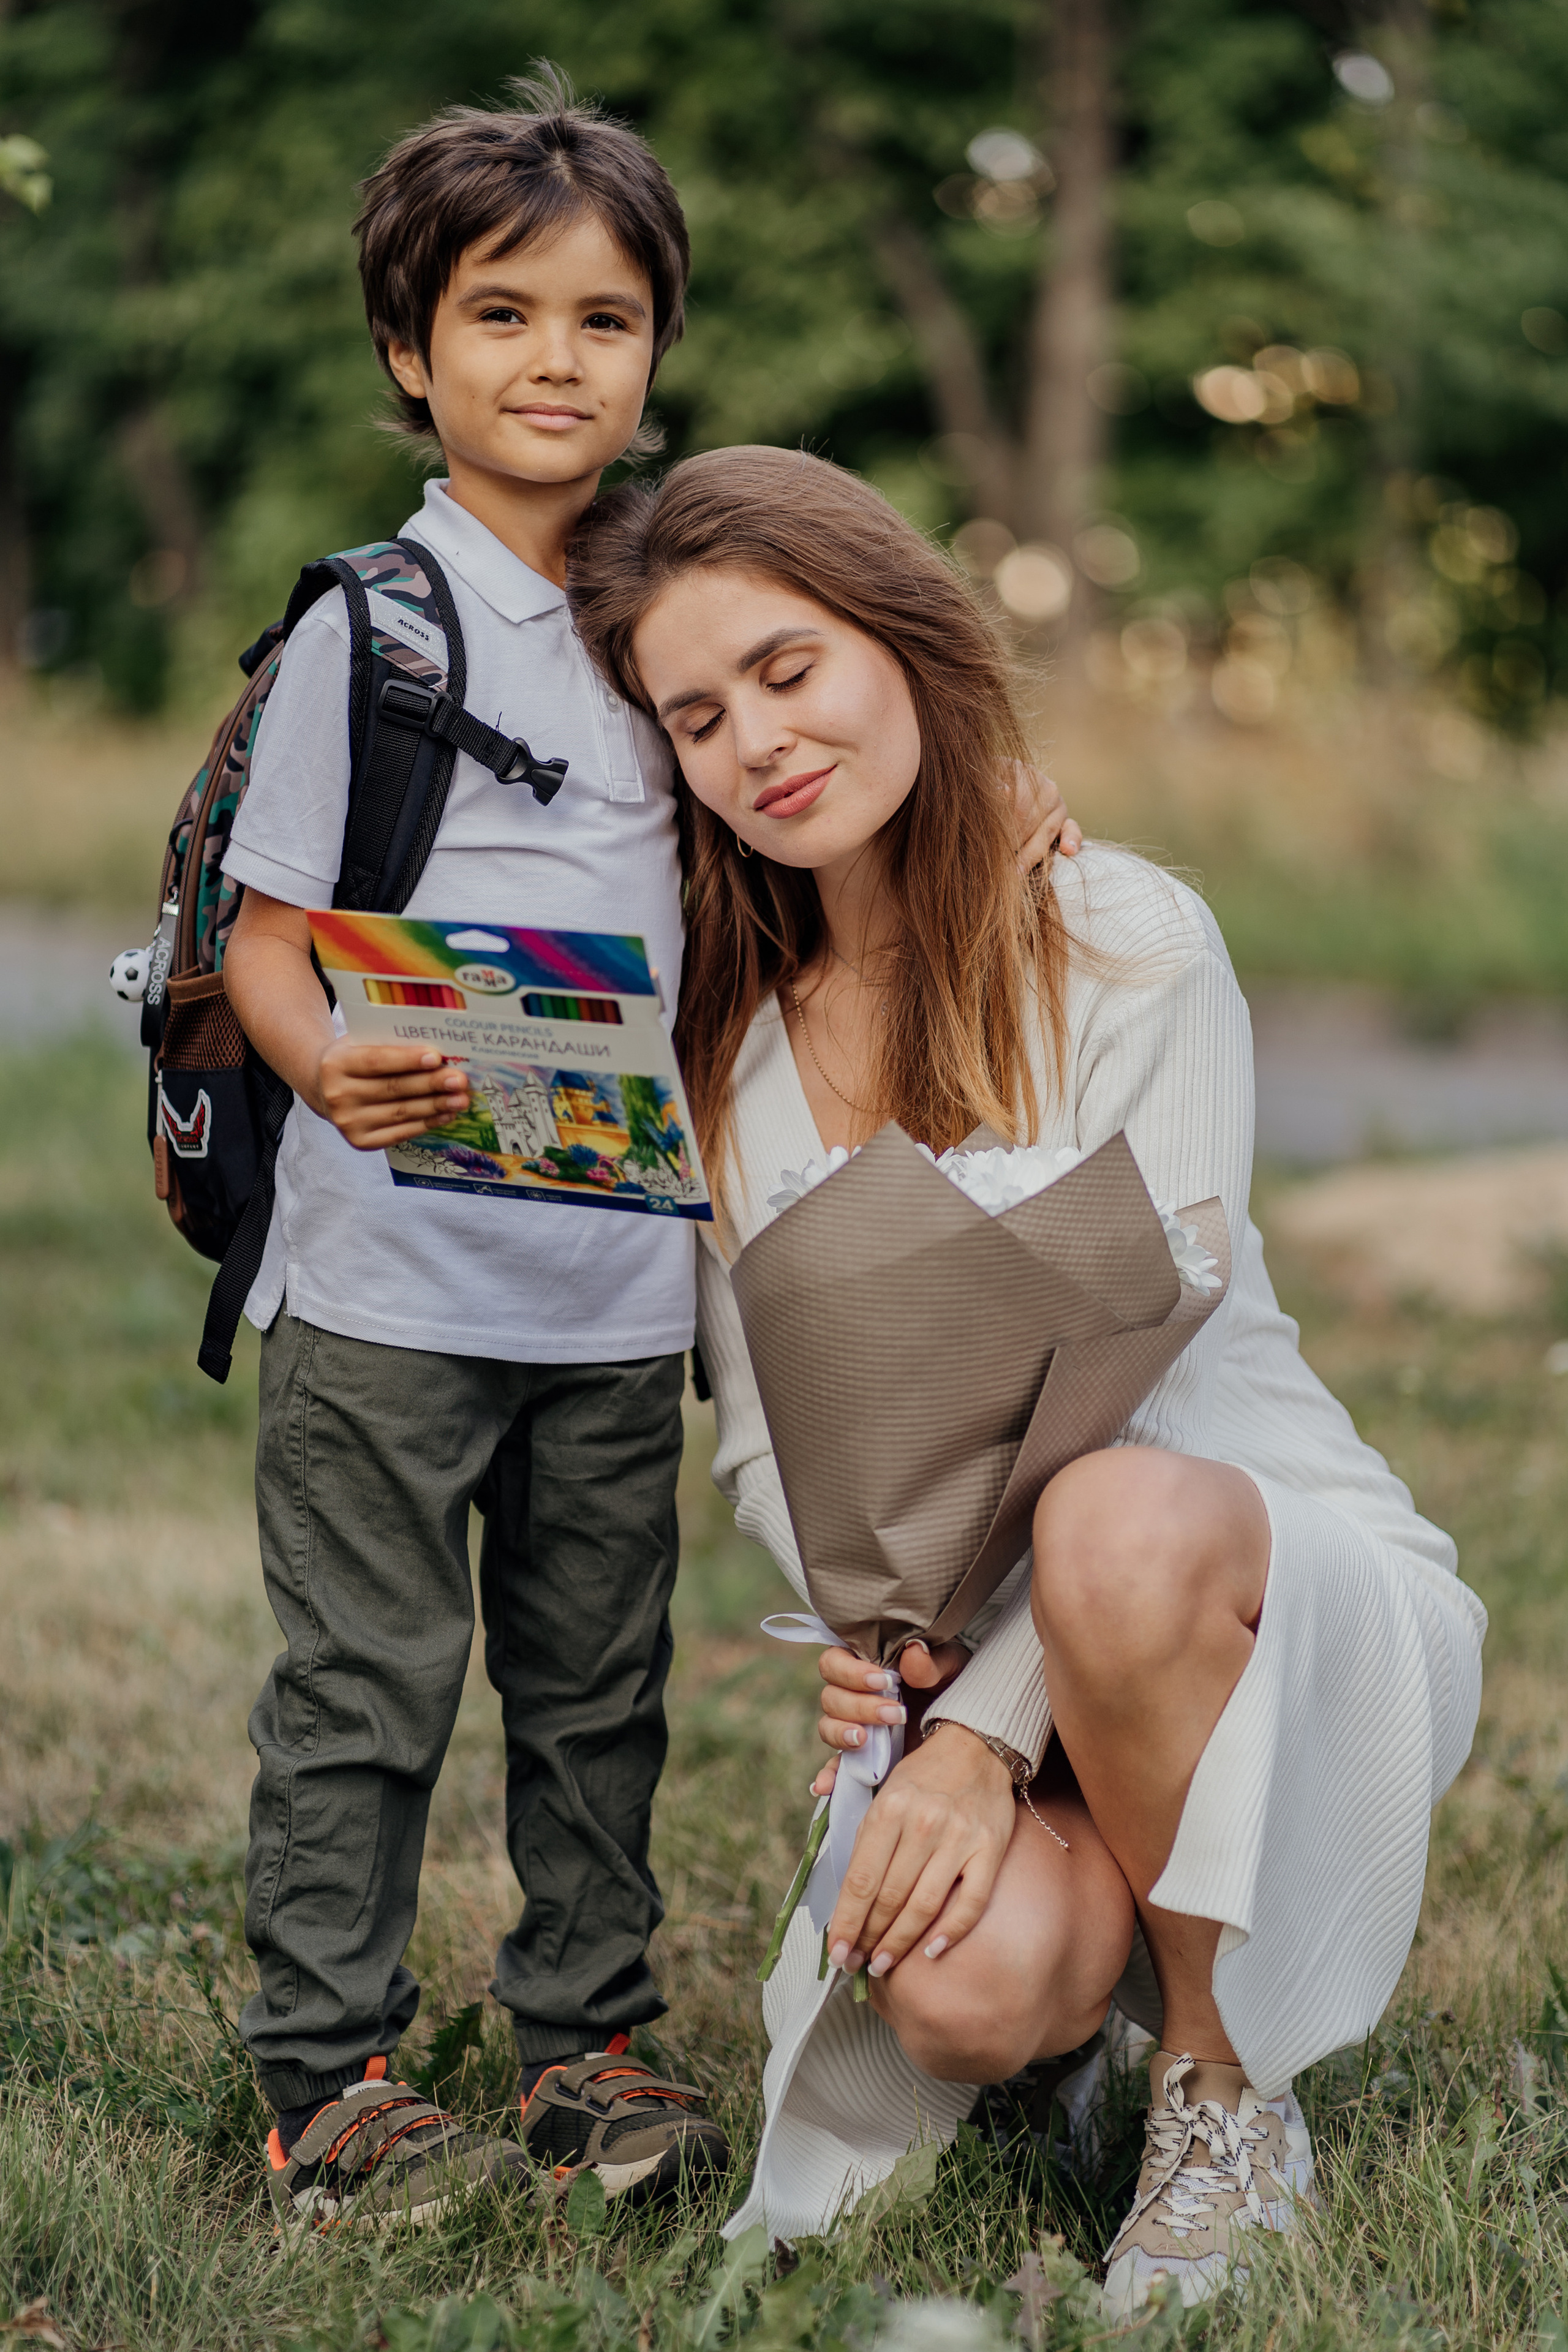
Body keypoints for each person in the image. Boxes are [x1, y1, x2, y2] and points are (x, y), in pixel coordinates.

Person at [219, 77, 1074, 2234]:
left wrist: (1003, 826)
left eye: (604, 320)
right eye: (501, 317)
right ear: (410, 350)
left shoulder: (663, 616)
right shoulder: (370, 634)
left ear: (656, 350)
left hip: (616, 1302)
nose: (556, 362)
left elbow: (817, 808)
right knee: (367, 1689)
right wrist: (330, 1067)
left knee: (597, 1696)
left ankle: (585, 2043)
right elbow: (262, 944)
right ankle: (326, 2078)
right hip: (386, 1285)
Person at [568, 443, 1487, 2316]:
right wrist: (881, 1634)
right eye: (698, 716)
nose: (758, 742)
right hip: (973, 1634)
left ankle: (1223, 2099)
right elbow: (765, 1438)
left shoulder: (1125, 941)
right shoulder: (724, 1055)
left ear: (901, 639)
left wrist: (983, 1736)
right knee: (961, 1997)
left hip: (1245, 1593)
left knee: (1113, 1517)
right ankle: (1069, 2021)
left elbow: (1151, 1367)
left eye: (790, 667)